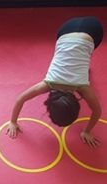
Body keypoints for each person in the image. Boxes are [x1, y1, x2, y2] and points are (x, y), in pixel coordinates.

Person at [6, 16, 104, 148]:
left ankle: (83, 63)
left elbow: (97, 111)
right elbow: (20, 99)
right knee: (84, 51)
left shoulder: (83, 88)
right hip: (71, 30)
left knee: (85, 50)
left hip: (80, 29)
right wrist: (12, 122)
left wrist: (87, 131)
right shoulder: (48, 83)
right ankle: (83, 63)